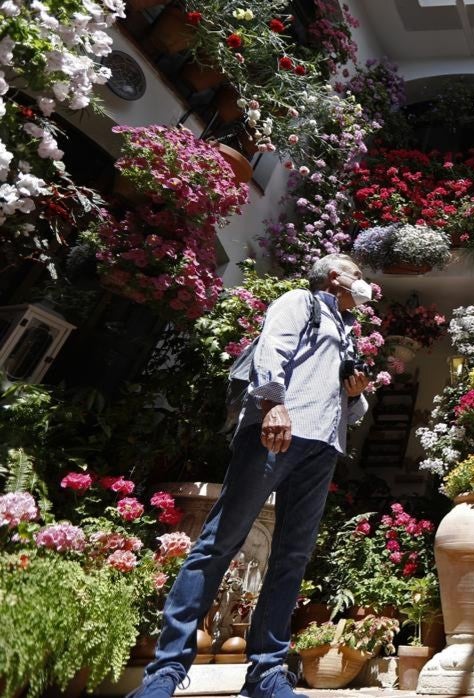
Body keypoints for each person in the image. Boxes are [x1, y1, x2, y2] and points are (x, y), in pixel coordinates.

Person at [131, 254, 374, 698]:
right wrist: (273, 404)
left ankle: (266, 673)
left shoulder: (345, 330)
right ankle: (165, 671)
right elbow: (272, 348)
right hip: (276, 431)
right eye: (358, 275)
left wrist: (355, 394)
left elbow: (351, 407)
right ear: (335, 277)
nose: (364, 283)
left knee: (293, 557)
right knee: (220, 542)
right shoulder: (302, 300)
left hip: (322, 445)